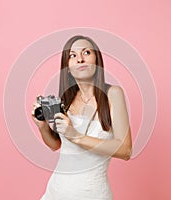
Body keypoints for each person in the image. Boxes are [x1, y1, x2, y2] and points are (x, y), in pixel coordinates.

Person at [31, 35, 132, 200]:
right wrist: (42, 127)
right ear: (67, 67)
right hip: (56, 192)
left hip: (93, 194)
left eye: (86, 52)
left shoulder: (113, 94)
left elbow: (125, 150)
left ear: (97, 61)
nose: (79, 59)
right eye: (72, 55)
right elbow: (56, 145)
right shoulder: (65, 100)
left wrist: (76, 136)